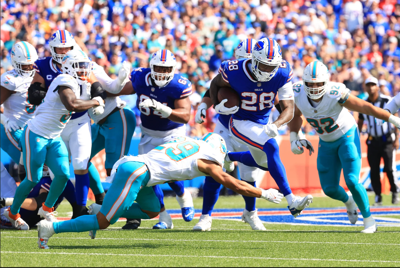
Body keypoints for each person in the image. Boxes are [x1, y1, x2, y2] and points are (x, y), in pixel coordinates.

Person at [37, 133, 284, 249]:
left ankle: (101, 208)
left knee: (151, 209)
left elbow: (170, 161)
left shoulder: (192, 143)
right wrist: (263, 193)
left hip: (144, 174)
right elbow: (233, 183)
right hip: (137, 171)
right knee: (103, 222)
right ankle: (51, 227)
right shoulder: (207, 159)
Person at [288, 60, 400, 233]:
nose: (314, 87)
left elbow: (365, 107)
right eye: (310, 83)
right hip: (326, 141)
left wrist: (391, 118)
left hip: (346, 136)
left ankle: (369, 220)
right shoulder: (298, 92)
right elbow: (296, 115)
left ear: (325, 81)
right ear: (304, 82)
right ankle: (349, 201)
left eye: (318, 83)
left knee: (352, 181)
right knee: (329, 189)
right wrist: (294, 136)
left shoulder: (335, 92)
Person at [209, 38, 313, 218]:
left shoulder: (282, 71)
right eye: (263, 65)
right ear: (254, 60)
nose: (267, 70)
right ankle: (292, 201)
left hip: (263, 123)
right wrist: (216, 105)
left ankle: (230, 156)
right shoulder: (234, 70)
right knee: (271, 146)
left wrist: (277, 125)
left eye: (271, 66)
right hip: (240, 122)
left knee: (264, 164)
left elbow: (288, 108)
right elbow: (214, 84)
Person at [3, 50, 105, 230]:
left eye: (84, 66)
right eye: (78, 66)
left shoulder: (77, 81)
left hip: (53, 137)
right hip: (36, 135)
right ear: (67, 67)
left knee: (63, 174)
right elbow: (71, 104)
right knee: (32, 179)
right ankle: (13, 212)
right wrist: (96, 102)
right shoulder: (64, 80)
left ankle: (46, 209)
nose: (83, 70)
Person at [111, 49, 195, 230]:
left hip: (173, 133)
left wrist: (160, 108)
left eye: (166, 69)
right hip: (149, 133)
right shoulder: (141, 78)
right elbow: (120, 90)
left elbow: (186, 116)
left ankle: (183, 195)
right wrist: (115, 85)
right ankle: (164, 217)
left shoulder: (178, 84)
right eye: (158, 68)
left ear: (172, 69)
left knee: (172, 171)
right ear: (151, 66)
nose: (162, 73)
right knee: (151, 177)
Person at [194, 39, 268, 231]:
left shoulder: (268, 74)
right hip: (226, 127)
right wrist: (204, 105)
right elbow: (214, 88)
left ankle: (250, 213)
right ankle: (205, 216)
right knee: (214, 167)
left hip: (251, 129)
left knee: (248, 174)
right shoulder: (232, 71)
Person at [29, 30, 98, 216]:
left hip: (79, 120)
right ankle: (77, 205)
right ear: (52, 48)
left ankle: (83, 206)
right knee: (57, 172)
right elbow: (34, 94)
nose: (63, 51)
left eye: (66, 47)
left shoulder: (80, 60)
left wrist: (98, 98)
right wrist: (44, 94)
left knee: (81, 163)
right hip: (55, 126)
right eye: (59, 48)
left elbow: (97, 86)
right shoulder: (44, 65)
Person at [0, 41, 38, 181]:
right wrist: (5, 120)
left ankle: (29, 200)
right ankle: (27, 200)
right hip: (14, 128)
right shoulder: (10, 80)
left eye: (31, 64)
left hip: (34, 129)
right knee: (31, 169)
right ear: (15, 62)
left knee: (35, 168)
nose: (28, 68)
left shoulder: (39, 74)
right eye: (24, 65)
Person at [1, 164, 77, 229]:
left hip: (13, 216)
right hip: (13, 210)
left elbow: (40, 203)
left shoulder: (52, 180)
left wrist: (6, 201)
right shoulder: (45, 176)